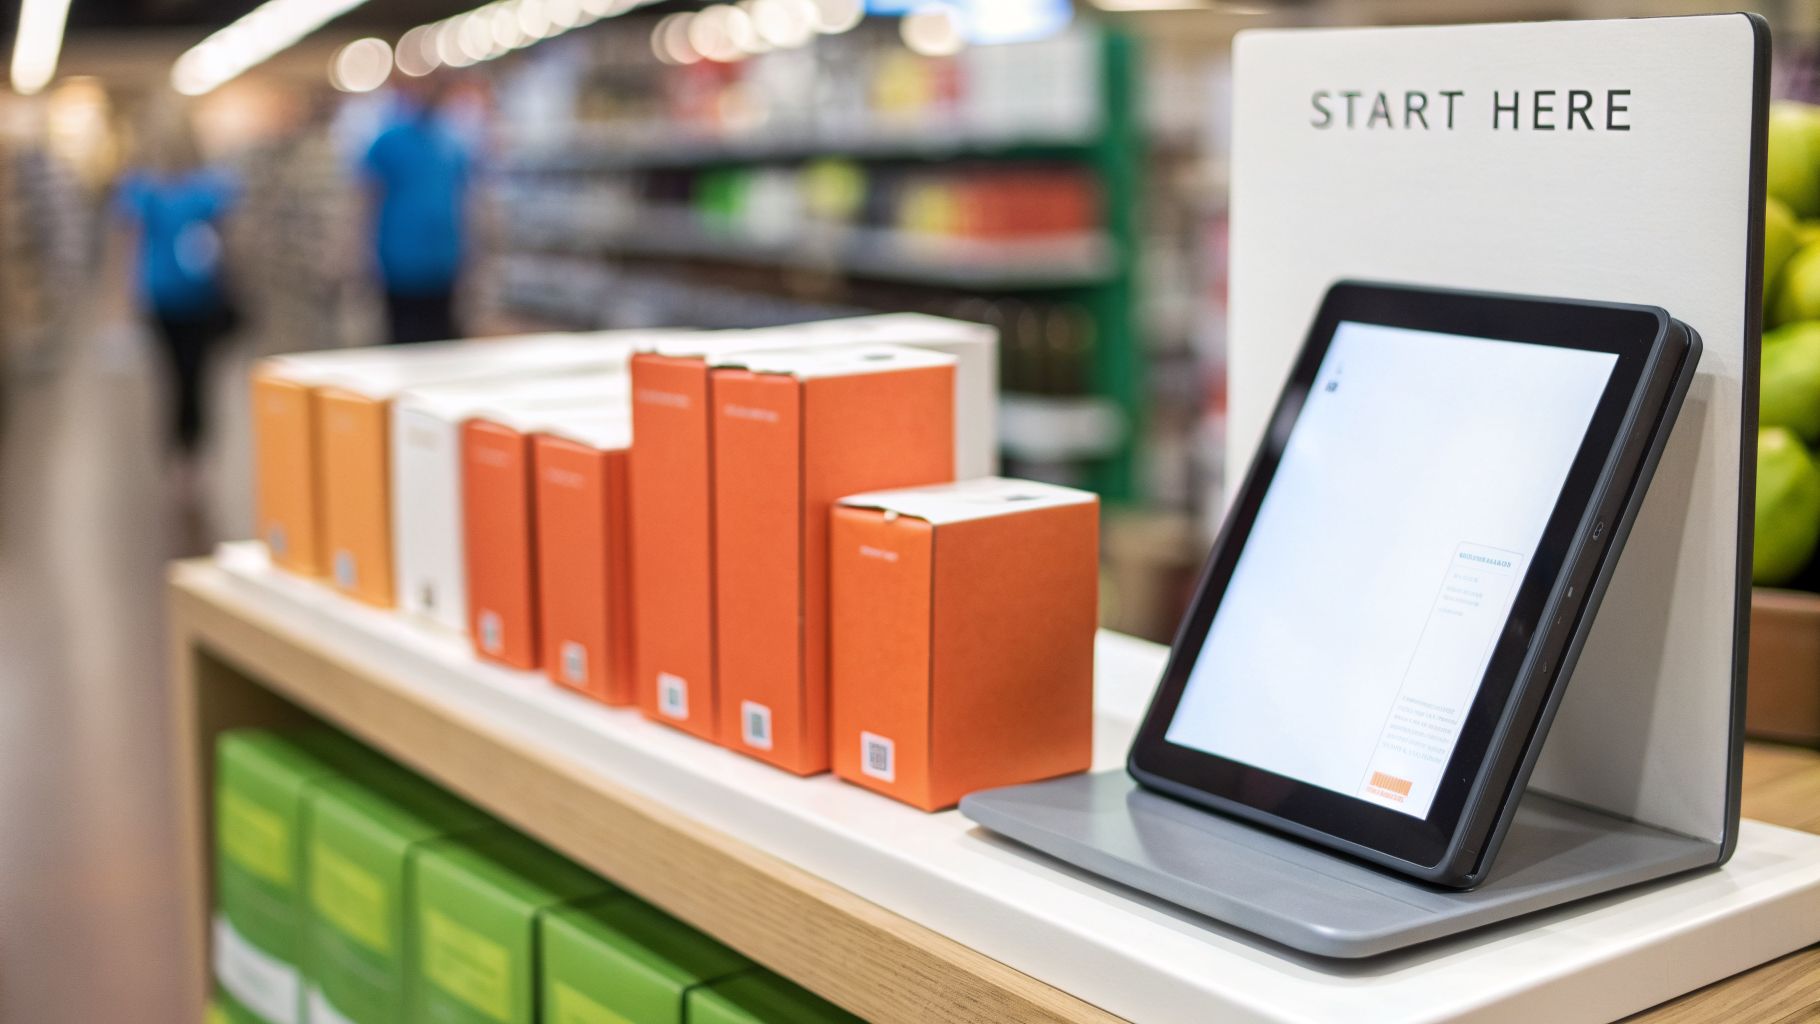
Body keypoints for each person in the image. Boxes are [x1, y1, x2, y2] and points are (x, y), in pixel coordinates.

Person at [115, 122, 239, 464]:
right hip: (181, 298)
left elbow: (132, 247)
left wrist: (126, 299)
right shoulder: (153, 191)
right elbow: (133, 245)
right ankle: (188, 453)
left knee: (181, 378)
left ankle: (184, 452)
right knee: (189, 377)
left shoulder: (160, 190)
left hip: (182, 298)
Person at [363, 80, 472, 344]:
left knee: (440, 342)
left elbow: (464, 202)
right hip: (400, 262)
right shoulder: (387, 142)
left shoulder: (452, 143)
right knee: (403, 339)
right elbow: (366, 198)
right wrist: (359, 255)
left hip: (443, 261)